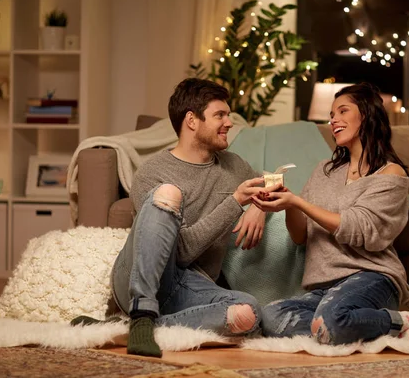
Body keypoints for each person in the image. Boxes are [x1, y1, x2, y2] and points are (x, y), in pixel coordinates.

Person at [72, 78, 279, 357]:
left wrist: (259, 206)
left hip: (192, 287)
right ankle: (141, 311)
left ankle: (125, 328)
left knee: (248, 313)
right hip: (141, 277)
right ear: (192, 120)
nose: (229, 122)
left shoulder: (233, 165)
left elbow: (273, 178)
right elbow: (180, 252)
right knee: (168, 194)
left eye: (228, 115)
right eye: (220, 115)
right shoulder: (153, 172)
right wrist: (236, 202)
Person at [252, 82, 409, 345]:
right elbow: (300, 236)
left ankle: (408, 321)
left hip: (371, 277)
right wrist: (289, 206)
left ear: (366, 115)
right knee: (272, 317)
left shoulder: (391, 175)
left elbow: (359, 229)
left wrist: (299, 201)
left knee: (332, 320)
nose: (334, 120)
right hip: (324, 287)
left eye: (343, 111)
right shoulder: (324, 170)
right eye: (332, 115)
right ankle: (366, 329)